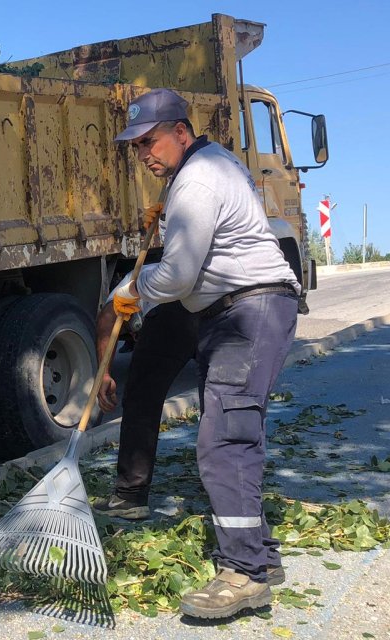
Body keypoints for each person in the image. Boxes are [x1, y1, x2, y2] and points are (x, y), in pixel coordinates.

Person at [106, 88, 300, 620]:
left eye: (151, 140)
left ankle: (245, 574)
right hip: (237, 310)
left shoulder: (195, 179)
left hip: (249, 311)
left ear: (181, 133)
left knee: (225, 441)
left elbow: (178, 276)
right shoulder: (209, 167)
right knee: (231, 434)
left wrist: (132, 287)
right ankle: (259, 555)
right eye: (137, 146)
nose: (145, 153)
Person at [93, 274, 199, 522]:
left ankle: (129, 496)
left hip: (173, 311)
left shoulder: (133, 281)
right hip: (217, 310)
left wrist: (104, 373)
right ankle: (225, 491)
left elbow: (108, 318)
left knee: (143, 399)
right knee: (219, 398)